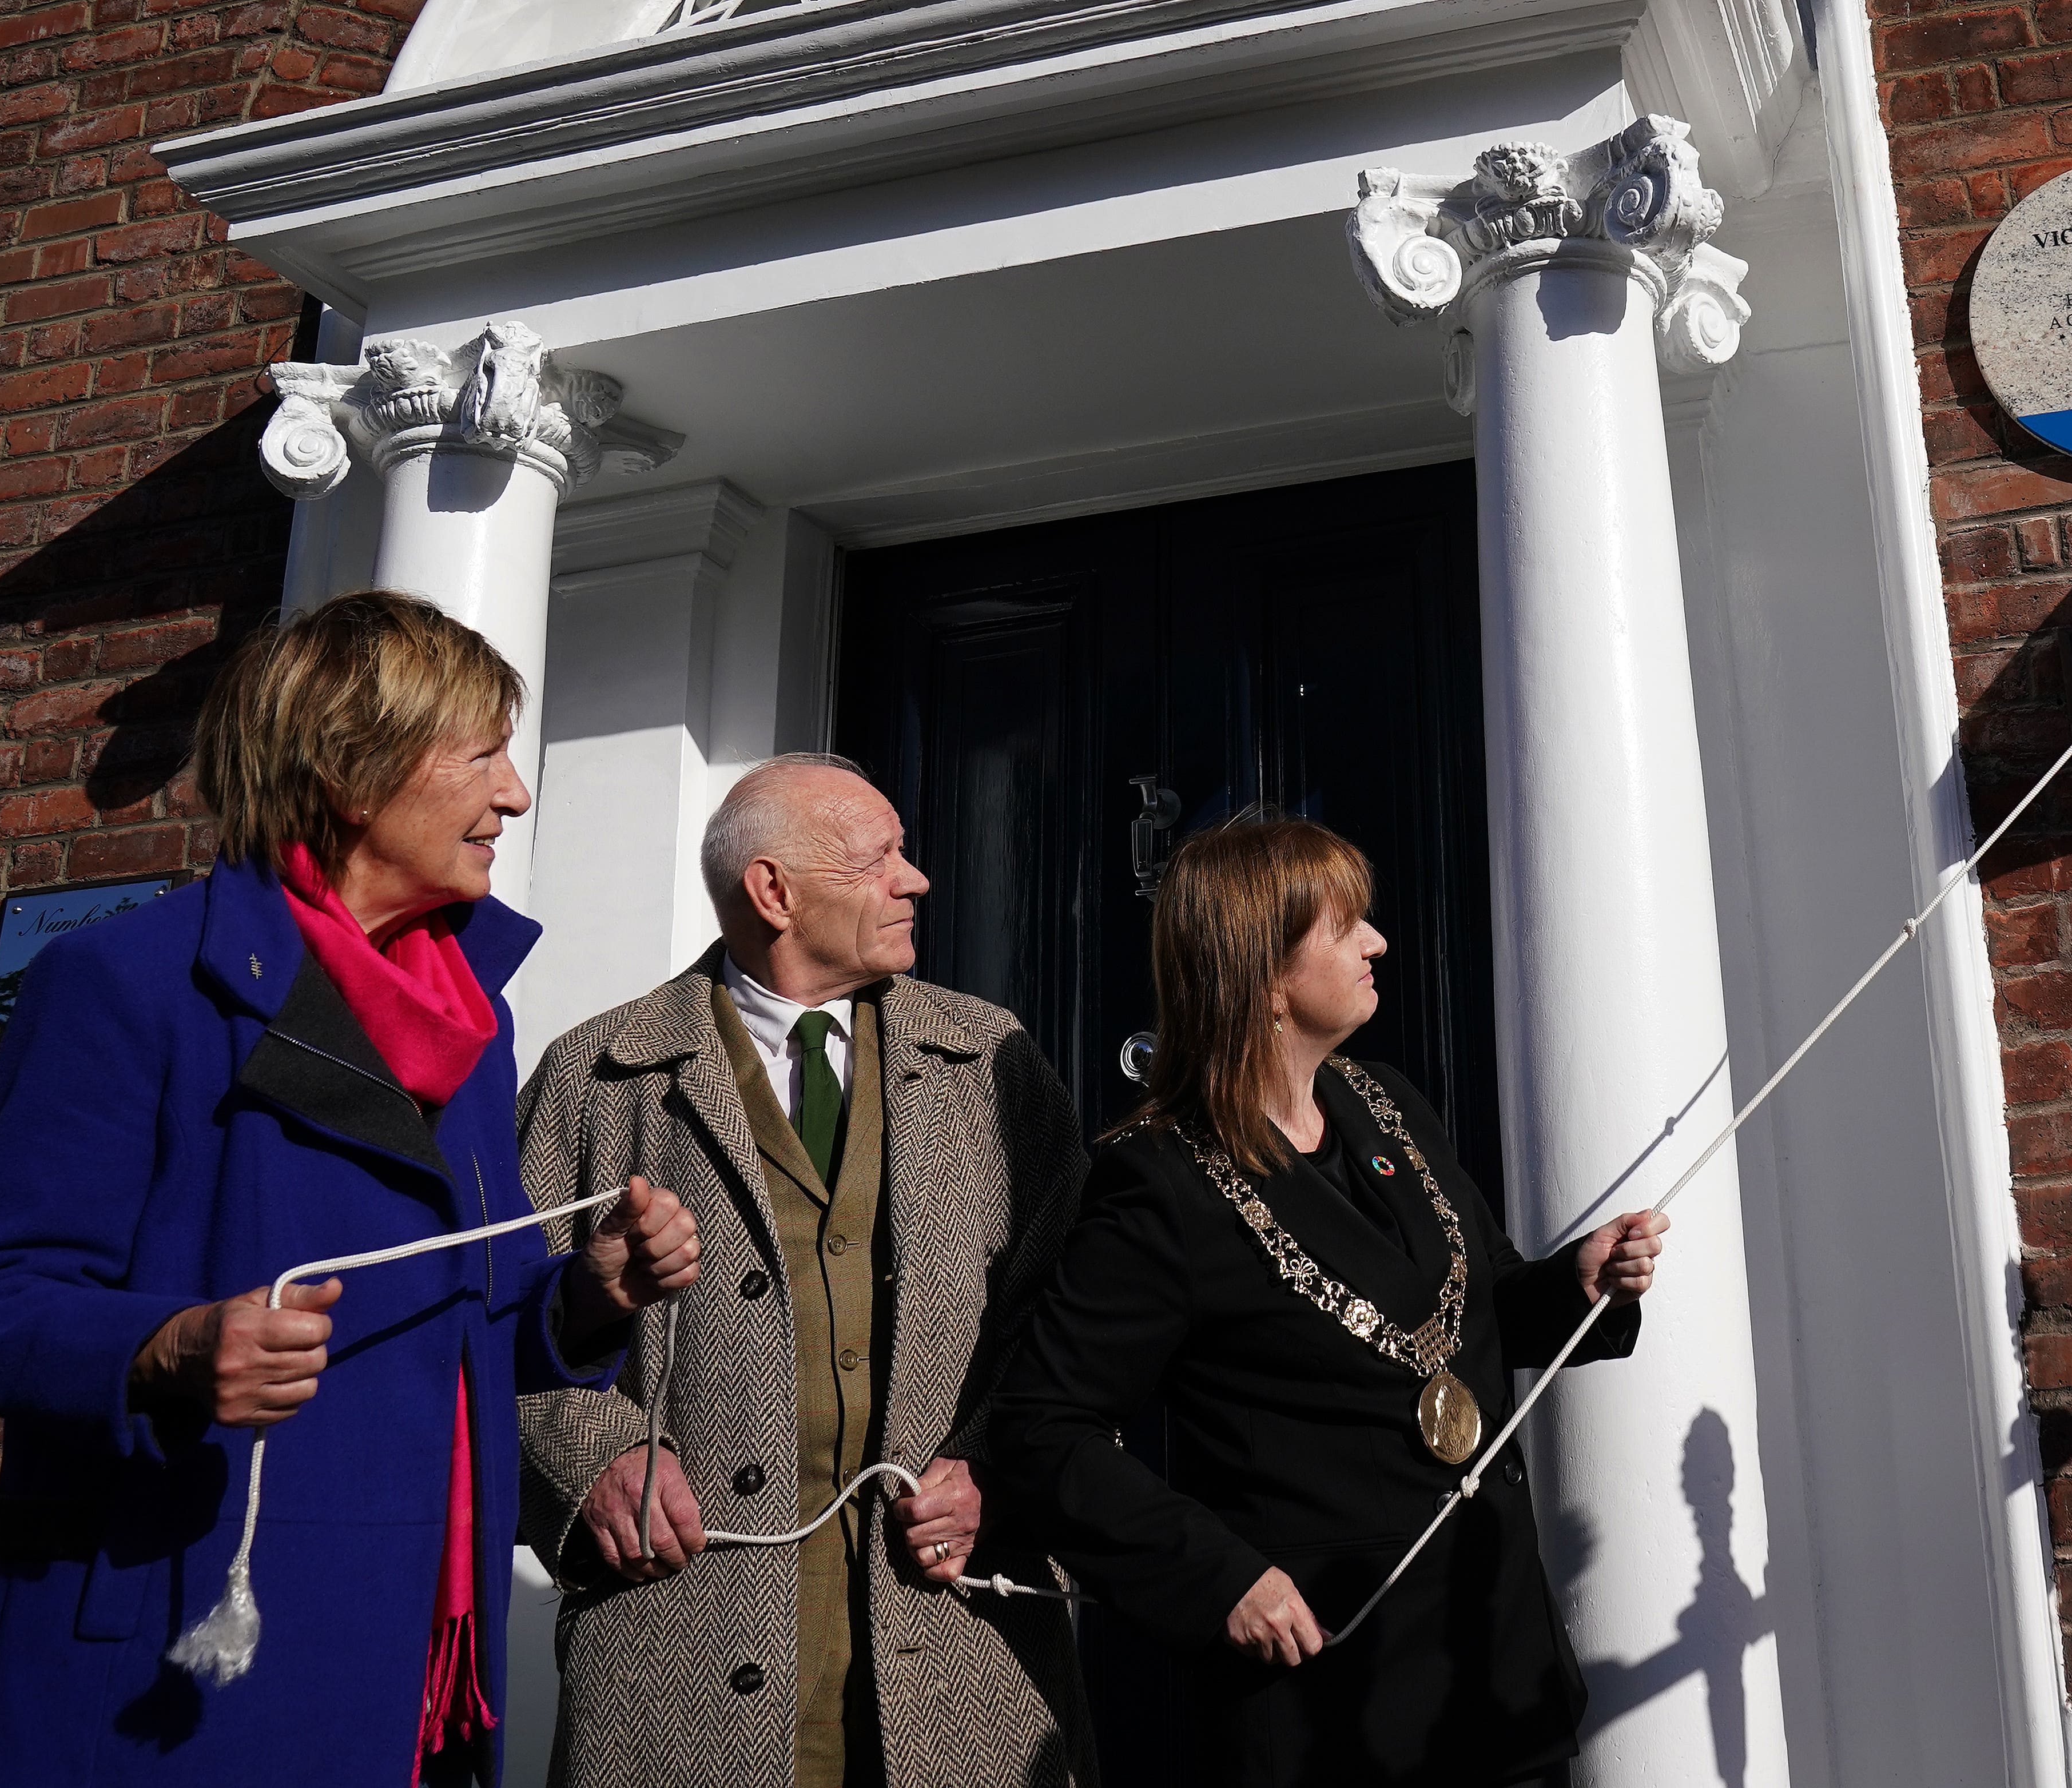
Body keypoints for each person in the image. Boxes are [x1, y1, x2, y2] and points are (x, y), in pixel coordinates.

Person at [0, 589, 703, 1787]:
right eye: (483, 752)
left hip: (421, 1664)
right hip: (177, 1665)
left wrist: (589, 1295)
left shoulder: (473, 1021)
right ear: (353, 767)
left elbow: (447, 1329)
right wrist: (170, 1347)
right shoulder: (127, 983)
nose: (516, 792)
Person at [987, 816, 1669, 1788]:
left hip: (1493, 1671)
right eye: (1345, 925)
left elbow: (1472, 1322)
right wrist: (1221, 1580)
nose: (1377, 942)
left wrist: (1579, 1283)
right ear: (1265, 974)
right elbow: (1042, 1430)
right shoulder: (1162, 1183)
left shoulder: (1386, 1102)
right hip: (1333, 1702)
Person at [514, 753, 1094, 1788]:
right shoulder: (597, 1077)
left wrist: (1000, 1467)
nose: (916, 880)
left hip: (960, 1651)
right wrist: (594, 1460)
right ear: (774, 892)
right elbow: (492, 1332)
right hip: (675, 1658)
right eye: (880, 860)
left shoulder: (990, 1061)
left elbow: (1082, 1315)